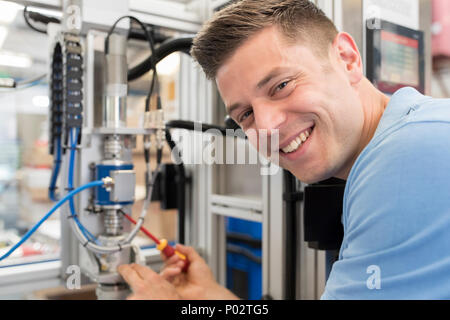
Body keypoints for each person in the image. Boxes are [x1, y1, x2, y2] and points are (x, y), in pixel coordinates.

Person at [118, 0, 450, 299]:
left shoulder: (406, 160)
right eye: (245, 114)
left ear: (347, 59)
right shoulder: (415, 127)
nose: (265, 126)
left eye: (281, 86)